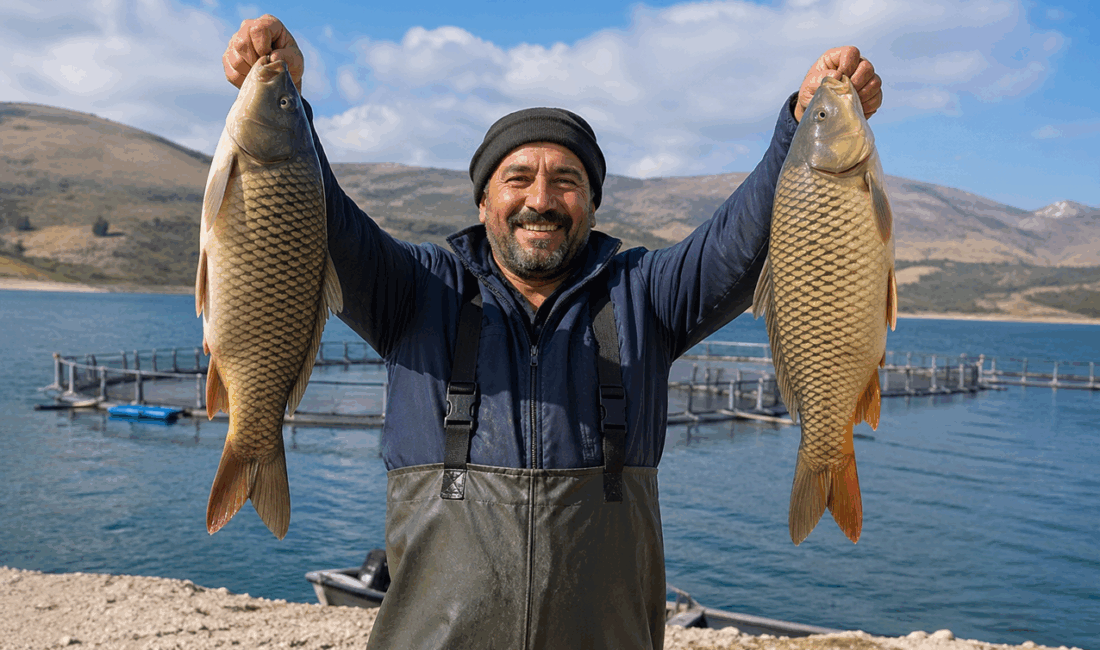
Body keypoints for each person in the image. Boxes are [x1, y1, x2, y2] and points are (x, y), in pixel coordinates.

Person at [223, 15, 882, 650]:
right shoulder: (418, 292)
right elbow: (313, 216)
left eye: (566, 181)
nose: (540, 198)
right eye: (517, 178)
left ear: (591, 204)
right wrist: (289, 104)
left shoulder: (645, 295)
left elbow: (746, 235)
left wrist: (802, 124)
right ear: (483, 202)